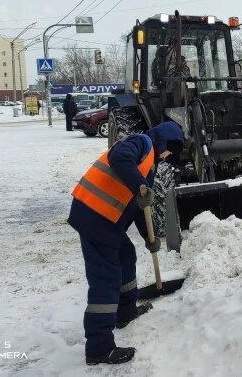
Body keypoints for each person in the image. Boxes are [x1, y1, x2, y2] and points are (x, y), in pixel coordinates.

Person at [68, 121, 184, 366]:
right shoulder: (140, 142)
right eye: (170, 149)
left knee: (126, 255)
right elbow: (119, 158)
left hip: (106, 219)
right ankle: (99, 348)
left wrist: (149, 238)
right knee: (106, 277)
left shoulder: (148, 164)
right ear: (163, 141)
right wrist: (139, 186)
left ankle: (126, 311)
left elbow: (139, 205)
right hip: (93, 215)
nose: (167, 156)